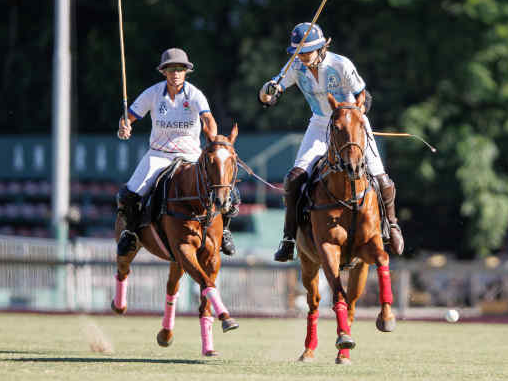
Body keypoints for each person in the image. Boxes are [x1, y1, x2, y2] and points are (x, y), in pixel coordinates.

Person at [259, 23, 404, 262]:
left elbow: (364, 97)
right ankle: (288, 239)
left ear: (321, 48)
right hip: (319, 125)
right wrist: (267, 90)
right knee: (294, 178)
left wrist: (353, 116)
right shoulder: (296, 65)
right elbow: (269, 97)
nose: (303, 57)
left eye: (308, 52)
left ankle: (392, 225)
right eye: (299, 52)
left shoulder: (341, 64)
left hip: (350, 124)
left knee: (380, 177)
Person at [115, 48, 237, 257]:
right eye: (171, 69)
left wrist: (212, 134)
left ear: (186, 72)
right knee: (129, 194)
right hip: (159, 155)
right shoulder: (152, 94)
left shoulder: (195, 95)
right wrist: (124, 126)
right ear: (163, 72)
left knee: (229, 192)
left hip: (190, 156)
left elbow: (208, 119)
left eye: (180, 69)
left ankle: (224, 230)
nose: (176, 74)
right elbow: (129, 117)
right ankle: (131, 233)